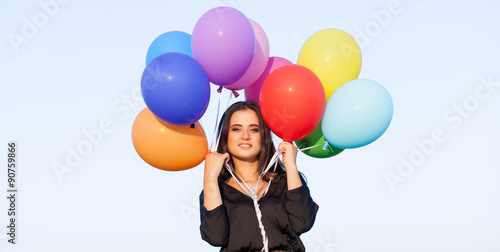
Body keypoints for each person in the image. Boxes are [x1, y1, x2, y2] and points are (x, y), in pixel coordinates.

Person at [200, 101, 319, 252]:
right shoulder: (217, 189)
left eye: (254, 129)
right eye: (236, 129)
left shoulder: (284, 180)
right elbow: (215, 237)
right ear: (225, 136)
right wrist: (209, 177)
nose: (245, 136)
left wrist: (291, 166)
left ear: (264, 136)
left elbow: (303, 222)